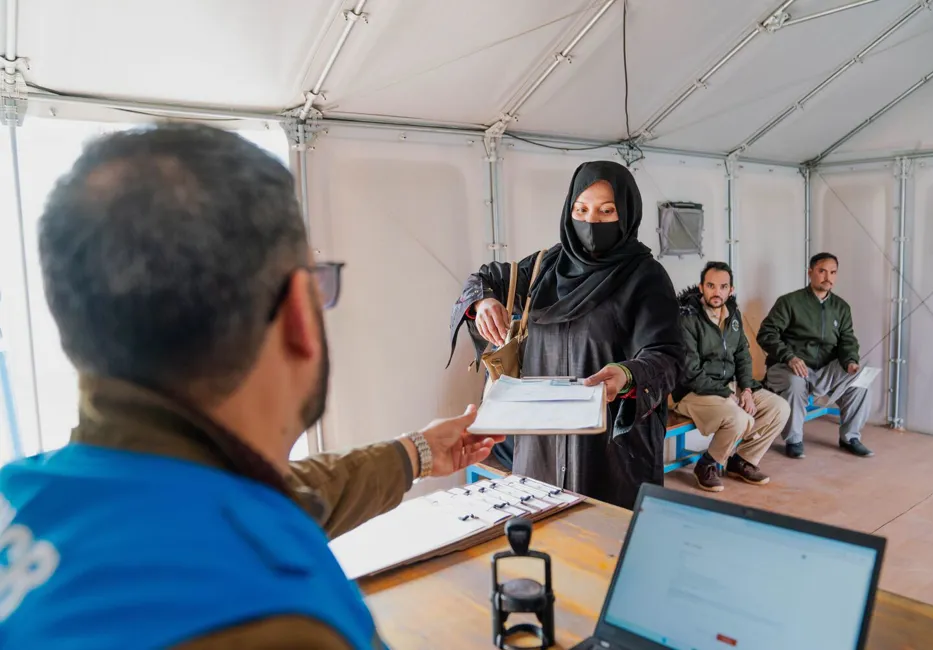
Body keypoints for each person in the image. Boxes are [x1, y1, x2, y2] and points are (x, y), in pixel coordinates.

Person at [0, 124, 502, 650]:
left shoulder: (37, 496)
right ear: (298, 314)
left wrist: (418, 452)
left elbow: (283, 493)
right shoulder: (277, 622)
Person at [447, 160, 684, 509]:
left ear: (628, 212)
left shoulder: (645, 277)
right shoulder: (545, 267)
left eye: (607, 211)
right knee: (546, 538)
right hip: (541, 440)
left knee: (605, 543)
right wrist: (483, 302)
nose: (591, 221)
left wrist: (627, 374)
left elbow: (668, 357)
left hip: (611, 447)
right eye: (581, 209)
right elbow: (484, 278)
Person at [670, 262, 789, 492]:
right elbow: (690, 372)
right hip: (691, 391)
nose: (717, 292)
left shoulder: (733, 314)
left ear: (730, 290)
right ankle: (707, 465)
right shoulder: (687, 318)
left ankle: (742, 461)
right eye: (711, 286)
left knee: (779, 407)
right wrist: (727, 394)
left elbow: (742, 355)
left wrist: (745, 390)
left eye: (723, 287)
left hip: (728, 386)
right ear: (701, 287)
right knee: (740, 418)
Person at [757, 252, 874, 459]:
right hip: (789, 366)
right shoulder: (789, 302)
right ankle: (794, 440)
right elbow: (766, 334)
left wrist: (850, 362)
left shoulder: (841, 307)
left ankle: (850, 437)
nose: (828, 277)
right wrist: (789, 357)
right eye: (822, 271)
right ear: (810, 272)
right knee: (795, 381)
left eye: (833, 272)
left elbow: (847, 340)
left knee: (861, 380)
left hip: (823, 370)